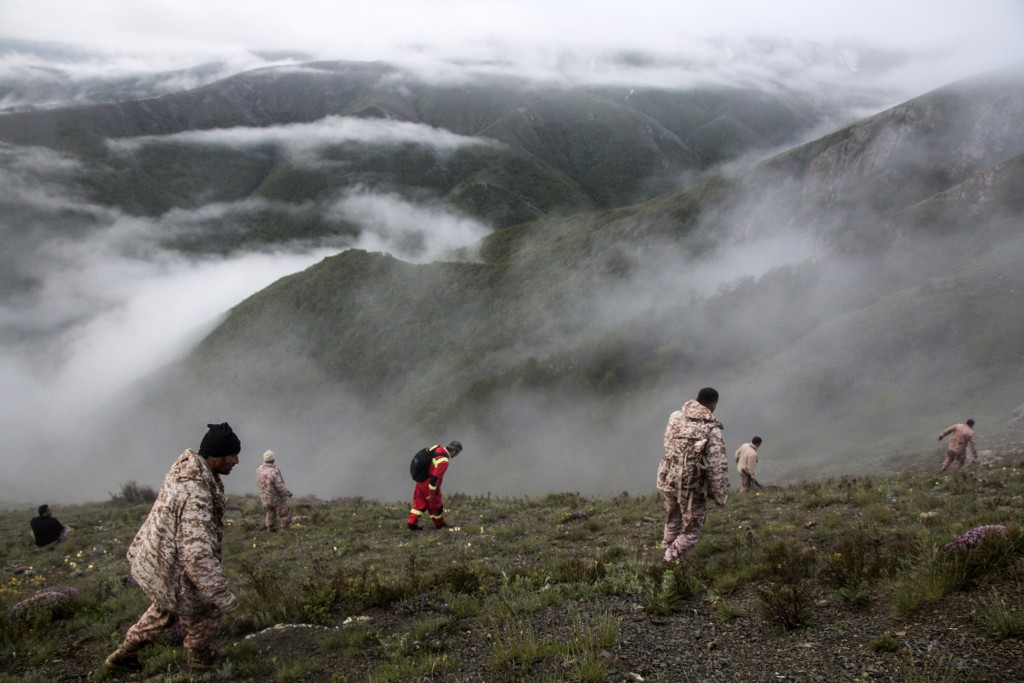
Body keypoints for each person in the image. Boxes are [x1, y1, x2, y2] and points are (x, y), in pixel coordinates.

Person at [104, 423, 242, 673]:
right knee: (206, 607)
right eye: (232, 455)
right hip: (173, 567)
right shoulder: (196, 493)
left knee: (164, 609)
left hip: (157, 560)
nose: (237, 460)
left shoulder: (186, 470)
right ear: (216, 456)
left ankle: (124, 655)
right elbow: (196, 555)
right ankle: (200, 657)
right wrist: (222, 595)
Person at [657, 388, 729, 564]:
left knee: (673, 518)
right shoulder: (711, 429)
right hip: (691, 486)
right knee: (691, 530)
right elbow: (716, 465)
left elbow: (667, 442)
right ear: (713, 405)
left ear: (696, 398)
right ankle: (669, 561)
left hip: (668, 478)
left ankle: (666, 549)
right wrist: (720, 495)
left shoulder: (675, 416)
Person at [407, 441, 463, 531]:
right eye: (457, 453)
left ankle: (411, 524)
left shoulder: (437, 447)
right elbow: (435, 478)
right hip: (428, 482)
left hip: (421, 479)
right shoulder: (443, 460)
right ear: (454, 451)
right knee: (435, 503)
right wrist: (432, 493)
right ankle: (439, 524)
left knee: (419, 502)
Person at [256, 450, 293, 532]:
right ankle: (285, 529)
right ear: (273, 459)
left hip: (265, 497)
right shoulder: (274, 472)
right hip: (276, 498)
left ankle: (270, 528)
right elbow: (279, 485)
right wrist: (287, 493)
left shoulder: (259, 469)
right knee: (283, 513)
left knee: (270, 512)